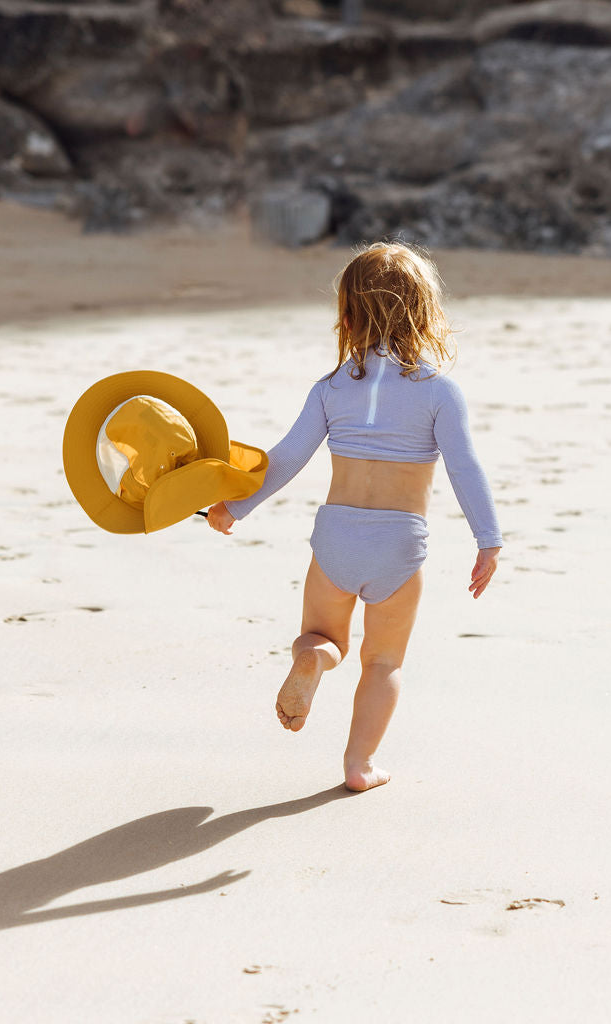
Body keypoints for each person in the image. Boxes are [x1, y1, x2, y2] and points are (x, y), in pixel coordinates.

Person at [207, 242, 503, 792]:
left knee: (323, 636)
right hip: (398, 542)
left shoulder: (331, 389)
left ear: (346, 316)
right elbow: (465, 468)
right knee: (383, 662)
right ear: (427, 313)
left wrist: (236, 507)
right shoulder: (439, 392)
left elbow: (287, 457)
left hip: (336, 534)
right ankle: (358, 766)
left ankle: (315, 660)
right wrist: (488, 540)